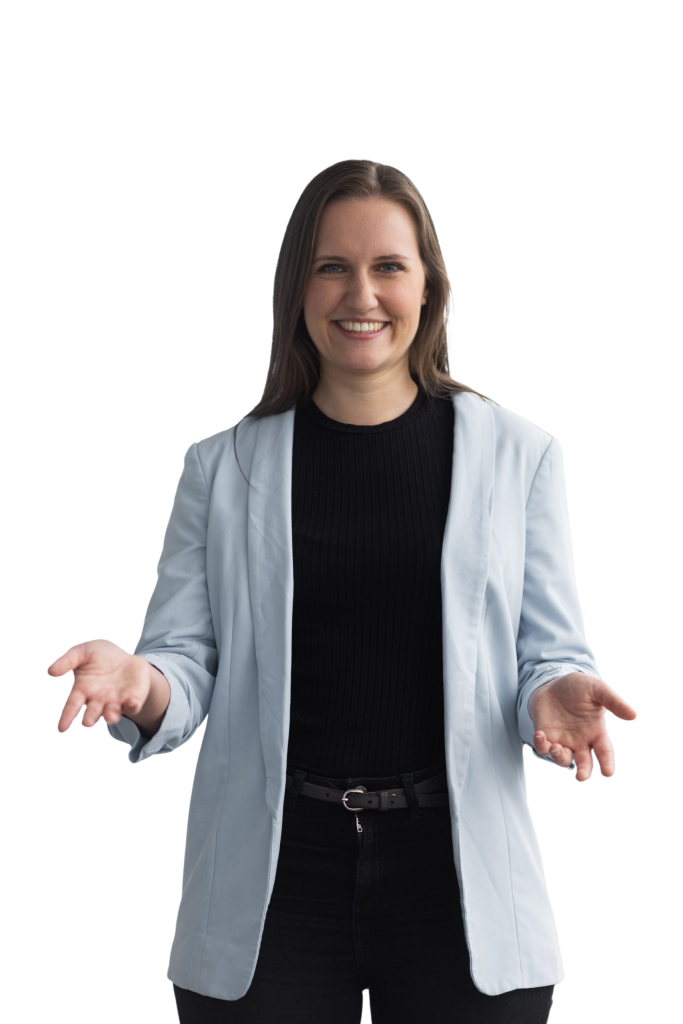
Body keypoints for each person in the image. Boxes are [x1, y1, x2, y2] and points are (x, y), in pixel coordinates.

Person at [49, 159, 638, 1023]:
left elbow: (544, 653)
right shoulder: (220, 466)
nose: (360, 294)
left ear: (428, 286)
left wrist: (554, 688)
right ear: (296, 288)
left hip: (456, 869)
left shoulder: (520, 456)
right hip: (275, 874)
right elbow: (184, 662)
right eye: (331, 266)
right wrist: (139, 682)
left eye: (387, 266)